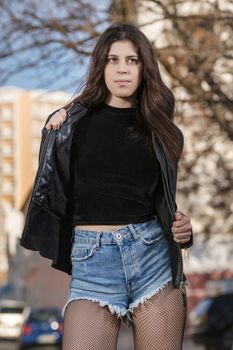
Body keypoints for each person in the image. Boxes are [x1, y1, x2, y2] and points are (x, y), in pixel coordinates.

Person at [20, 22, 193, 350]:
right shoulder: (71, 126)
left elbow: (164, 201)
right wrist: (56, 130)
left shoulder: (164, 132)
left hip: (153, 255)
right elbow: (53, 190)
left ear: (145, 68)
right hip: (93, 260)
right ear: (101, 66)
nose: (122, 69)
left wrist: (184, 228)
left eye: (132, 60)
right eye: (113, 60)